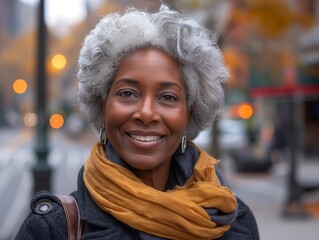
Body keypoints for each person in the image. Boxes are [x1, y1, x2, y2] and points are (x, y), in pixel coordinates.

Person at [15, 4, 259, 240]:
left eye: (168, 97)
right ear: (102, 105)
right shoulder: (52, 229)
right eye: (127, 93)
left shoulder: (234, 224)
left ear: (189, 114)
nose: (146, 113)